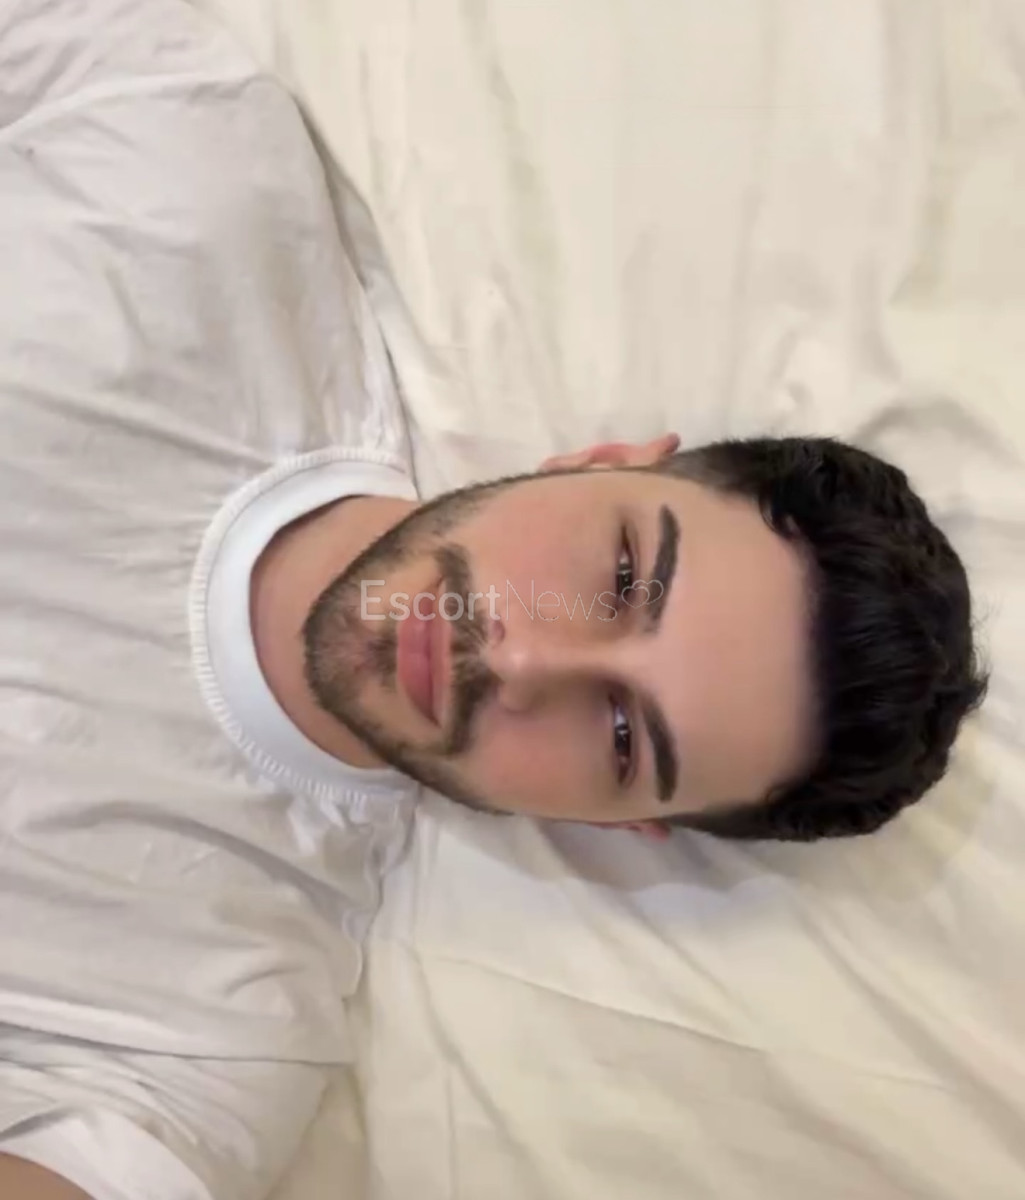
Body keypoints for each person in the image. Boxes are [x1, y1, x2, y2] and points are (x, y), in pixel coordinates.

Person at [0, 2, 987, 1199]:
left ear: (616, 825)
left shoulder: (215, 1040)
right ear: (600, 459)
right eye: (618, 577)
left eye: (619, 736)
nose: (519, 664)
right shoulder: (193, 169)